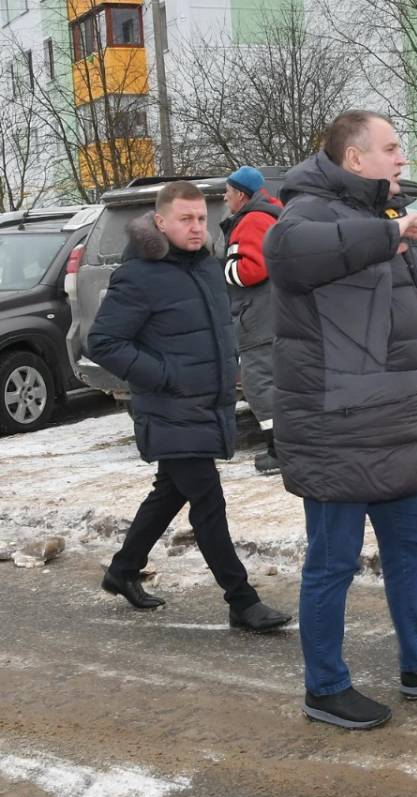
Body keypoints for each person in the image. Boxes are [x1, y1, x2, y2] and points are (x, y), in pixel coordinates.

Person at [265, 110, 417, 730]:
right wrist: (387, 233)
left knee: (412, 546)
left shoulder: (380, 212)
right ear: (355, 158)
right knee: (333, 562)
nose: (401, 158)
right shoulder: (307, 211)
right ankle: (325, 687)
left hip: (389, 421)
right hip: (337, 428)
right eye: (390, 148)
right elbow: (286, 252)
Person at [89, 181, 292, 634]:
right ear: (161, 222)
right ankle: (241, 600)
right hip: (169, 408)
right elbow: (103, 342)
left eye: (201, 218)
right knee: (207, 500)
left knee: (170, 491)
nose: (197, 227)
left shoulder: (206, 268)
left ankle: (123, 570)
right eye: (186, 219)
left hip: (206, 404)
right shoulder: (138, 276)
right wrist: (165, 375)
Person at [220, 166, 283, 474]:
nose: (225, 198)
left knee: (259, 385)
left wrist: (223, 269)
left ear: (242, 195)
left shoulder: (252, 220)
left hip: (258, 319)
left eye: (228, 192)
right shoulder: (269, 214)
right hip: (271, 314)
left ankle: (280, 450)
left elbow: (252, 269)